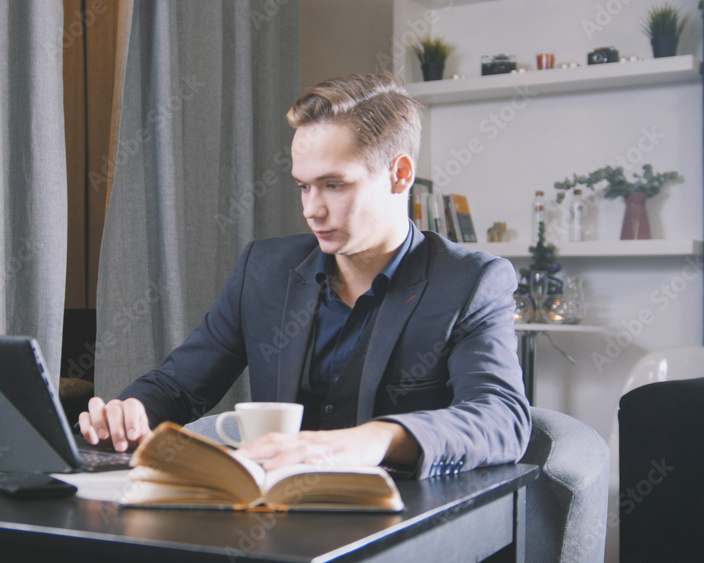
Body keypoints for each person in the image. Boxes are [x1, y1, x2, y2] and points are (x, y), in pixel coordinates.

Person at [79, 73, 531, 479]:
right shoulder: (264, 269)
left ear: (399, 175)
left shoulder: (471, 282)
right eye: (303, 186)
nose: (312, 210)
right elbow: (179, 386)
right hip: (269, 522)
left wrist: (372, 439)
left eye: (334, 185)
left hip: (398, 526)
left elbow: (501, 417)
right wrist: (133, 409)